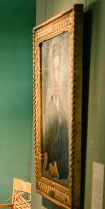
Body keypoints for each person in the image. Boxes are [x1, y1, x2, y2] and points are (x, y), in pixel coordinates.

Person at [42, 37, 69, 182]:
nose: (55, 77)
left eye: (58, 69)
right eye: (53, 70)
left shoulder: (68, 107)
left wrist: (57, 166)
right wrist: (46, 155)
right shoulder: (51, 103)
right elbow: (48, 137)